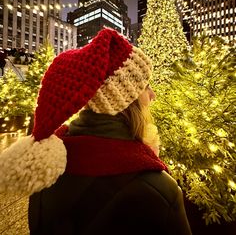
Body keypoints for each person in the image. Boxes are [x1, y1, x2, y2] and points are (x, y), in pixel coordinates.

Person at [0, 28, 191, 235]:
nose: (152, 95)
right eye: (146, 86)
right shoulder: (161, 191)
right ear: (125, 101)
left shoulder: (45, 169)